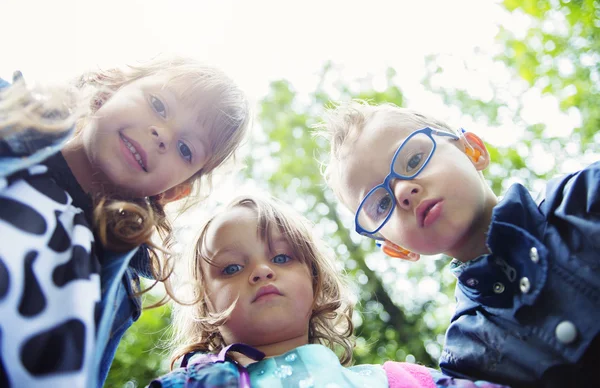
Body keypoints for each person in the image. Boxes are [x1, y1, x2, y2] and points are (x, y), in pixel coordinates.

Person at [0, 56, 251, 388]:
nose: (162, 134)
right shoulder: (10, 122)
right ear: (108, 89)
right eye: (159, 105)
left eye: (185, 149)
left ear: (174, 191)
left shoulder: (116, 284)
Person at [314, 100, 599, 387]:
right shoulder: (466, 359)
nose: (403, 191)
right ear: (396, 248)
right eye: (382, 203)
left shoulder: (587, 198)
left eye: (413, 160)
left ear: (473, 150)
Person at [148, 194, 510, 387]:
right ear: (204, 304)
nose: (261, 271)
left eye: (281, 256)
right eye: (231, 268)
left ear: (316, 283)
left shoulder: (400, 381)